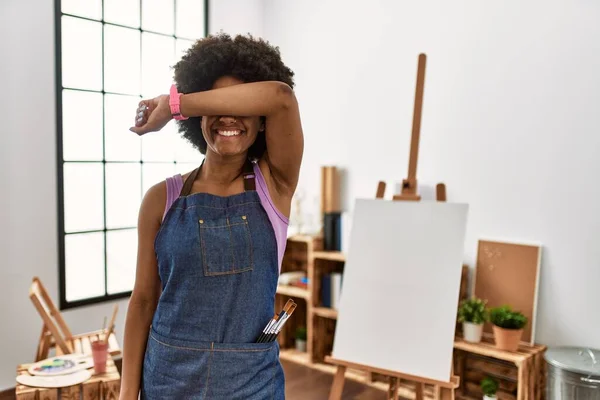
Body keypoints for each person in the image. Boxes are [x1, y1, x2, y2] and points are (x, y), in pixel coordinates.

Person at [119, 33, 303, 400]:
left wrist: (174, 104)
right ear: (199, 118)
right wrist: (127, 392)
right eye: (215, 105)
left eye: (241, 104)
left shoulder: (275, 185)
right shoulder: (161, 198)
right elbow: (142, 301)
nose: (228, 117)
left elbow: (281, 98)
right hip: (168, 379)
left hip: (251, 383)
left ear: (262, 120)